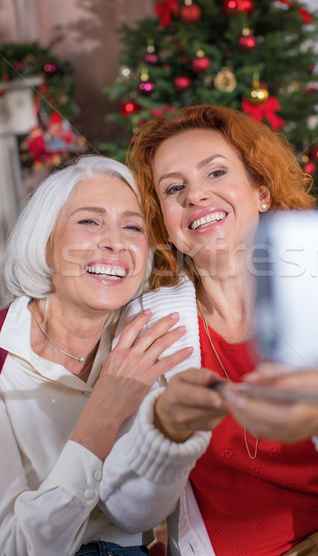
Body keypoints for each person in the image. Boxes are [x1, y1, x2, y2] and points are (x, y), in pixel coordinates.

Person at [100, 105, 318, 556]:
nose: (197, 196)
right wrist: (164, 428)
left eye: (216, 173)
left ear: (261, 191)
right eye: (174, 187)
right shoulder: (148, 325)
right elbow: (127, 511)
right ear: (162, 219)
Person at [0, 155, 195, 556]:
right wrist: (104, 412)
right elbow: (16, 546)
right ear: (47, 241)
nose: (115, 241)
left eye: (133, 227)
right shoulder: (4, 358)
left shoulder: (152, 336)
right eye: (89, 221)